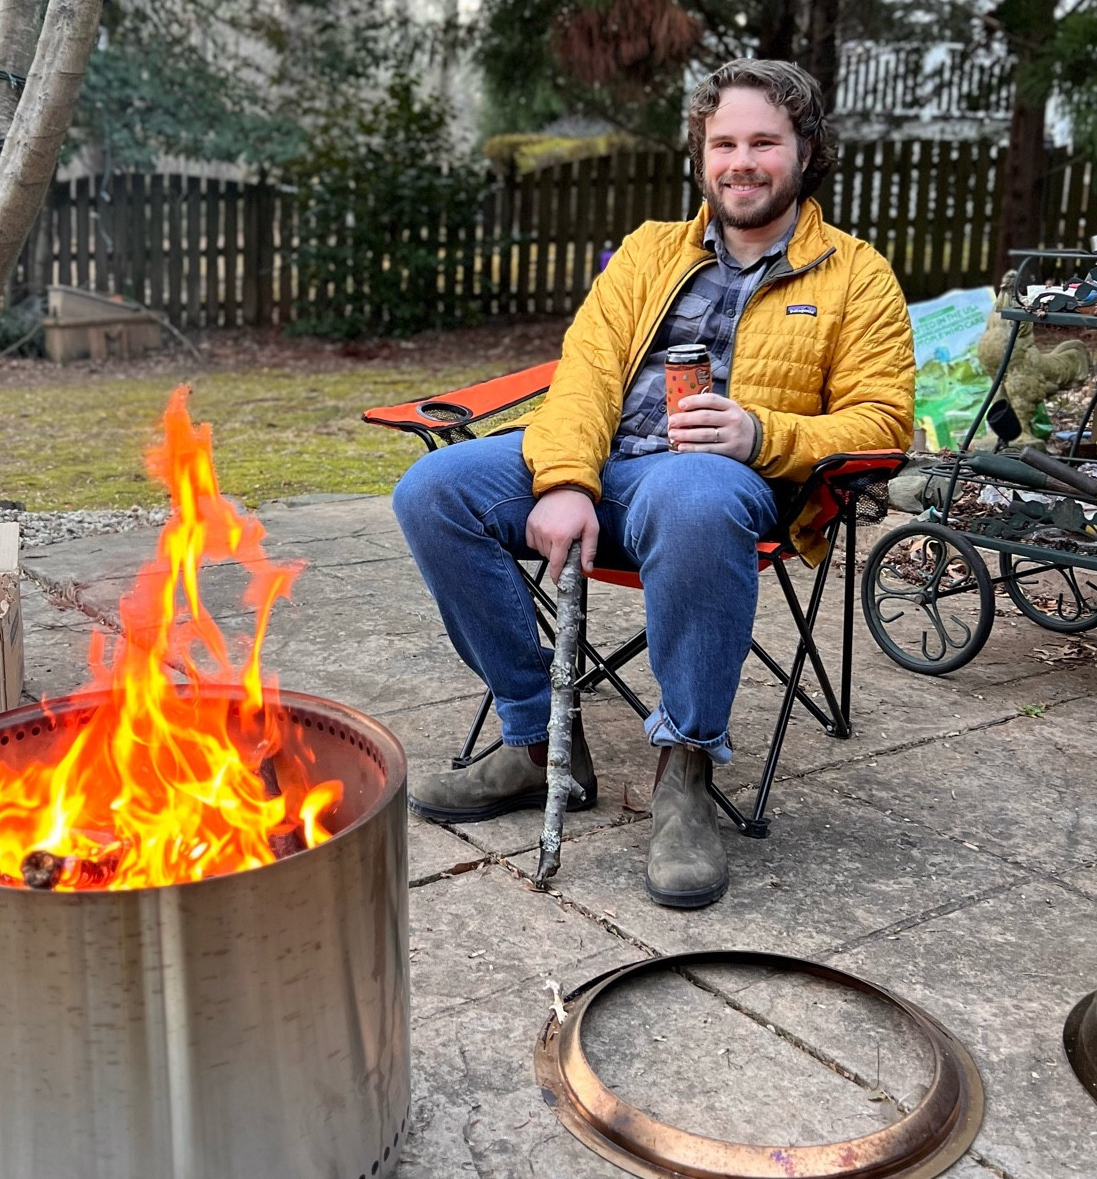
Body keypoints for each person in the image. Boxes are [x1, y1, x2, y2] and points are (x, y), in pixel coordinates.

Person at [392, 59, 915, 908]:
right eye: (723, 144)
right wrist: (566, 479)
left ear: (806, 150)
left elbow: (883, 423)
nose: (741, 163)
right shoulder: (649, 250)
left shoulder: (856, 274)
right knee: (433, 490)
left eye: (764, 142)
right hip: (605, 464)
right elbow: (585, 376)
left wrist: (761, 433)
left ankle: (686, 770)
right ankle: (537, 739)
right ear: (702, 155)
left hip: (726, 486)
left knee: (694, 492)